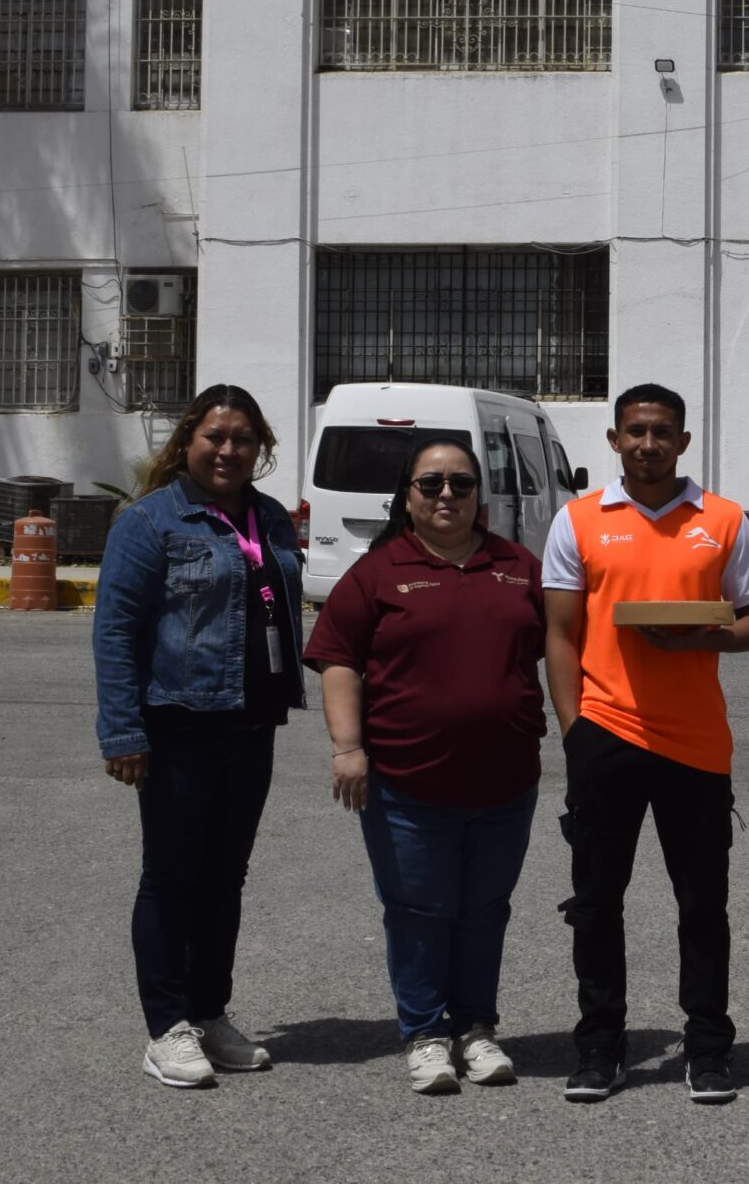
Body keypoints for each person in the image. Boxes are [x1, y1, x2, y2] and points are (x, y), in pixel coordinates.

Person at [541, 384, 749, 1106]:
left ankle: (708, 1048)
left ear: (683, 441)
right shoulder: (578, 520)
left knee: (703, 905)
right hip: (605, 734)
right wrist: (574, 731)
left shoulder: (722, 520)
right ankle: (599, 1046)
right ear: (615, 440)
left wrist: (697, 636)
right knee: (596, 902)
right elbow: (560, 634)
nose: (649, 444)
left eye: (662, 432)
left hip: (696, 745)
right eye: (636, 432)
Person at [303, 433, 548, 1095]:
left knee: (485, 910)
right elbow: (338, 660)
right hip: (406, 786)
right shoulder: (379, 571)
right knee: (418, 911)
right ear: (407, 497)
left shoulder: (518, 566)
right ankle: (425, 1034)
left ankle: (476, 1030)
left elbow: (566, 647)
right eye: (430, 483)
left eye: (461, 484)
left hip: (505, 784)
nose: (446, 494)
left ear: (479, 495)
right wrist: (347, 747)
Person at [92, 384, 306, 1089]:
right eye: (215, 436)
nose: (227, 450)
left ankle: (209, 1012)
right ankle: (166, 1027)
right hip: (178, 721)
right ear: (188, 440)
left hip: (251, 722)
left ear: (260, 448)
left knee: (225, 876)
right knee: (171, 875)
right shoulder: (149, 521)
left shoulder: (270, 518)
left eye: (242, 439)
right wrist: (123, 731)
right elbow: (115, 633)